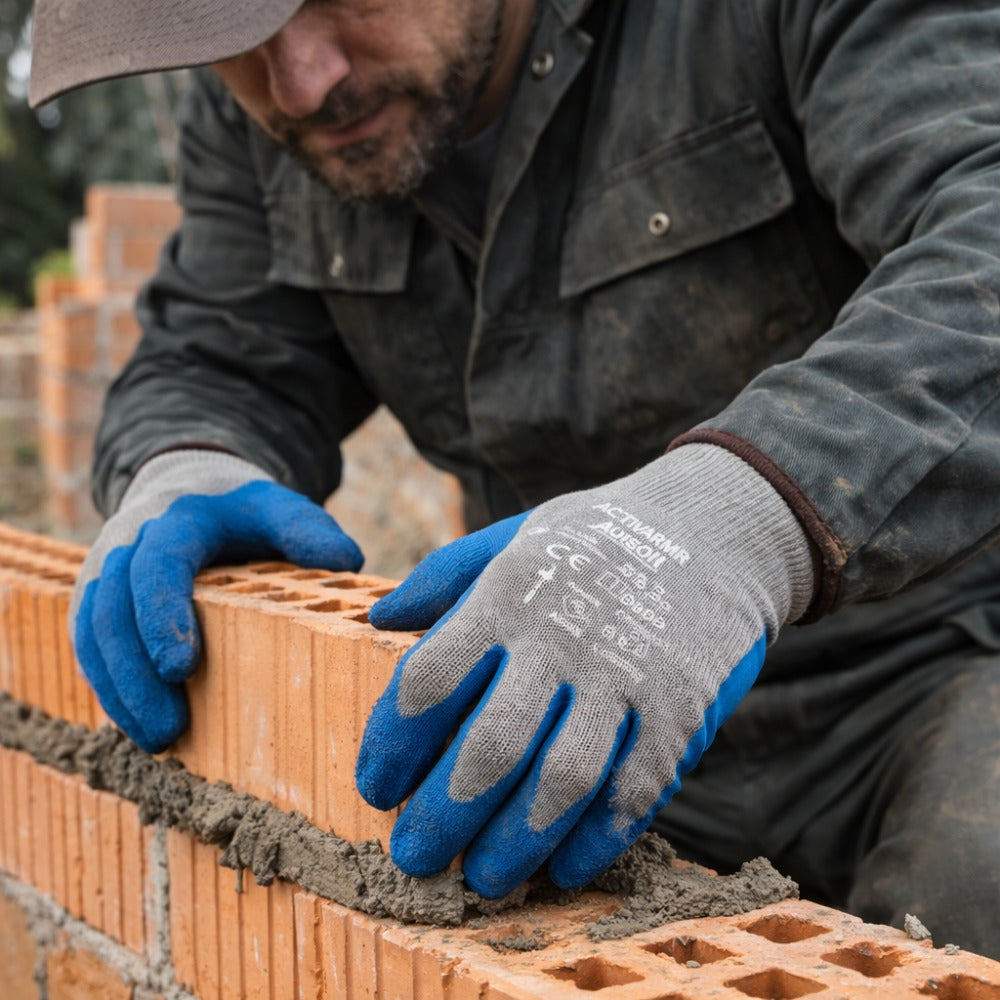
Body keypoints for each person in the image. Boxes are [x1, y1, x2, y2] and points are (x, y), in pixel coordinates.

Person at [29, 0, 1000, 956]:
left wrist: (747, 517)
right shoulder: (276, 99)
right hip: (578, 703)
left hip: (933, 662)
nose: (303, 79)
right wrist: (182, 456)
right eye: (239, 46)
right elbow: (219, 352)